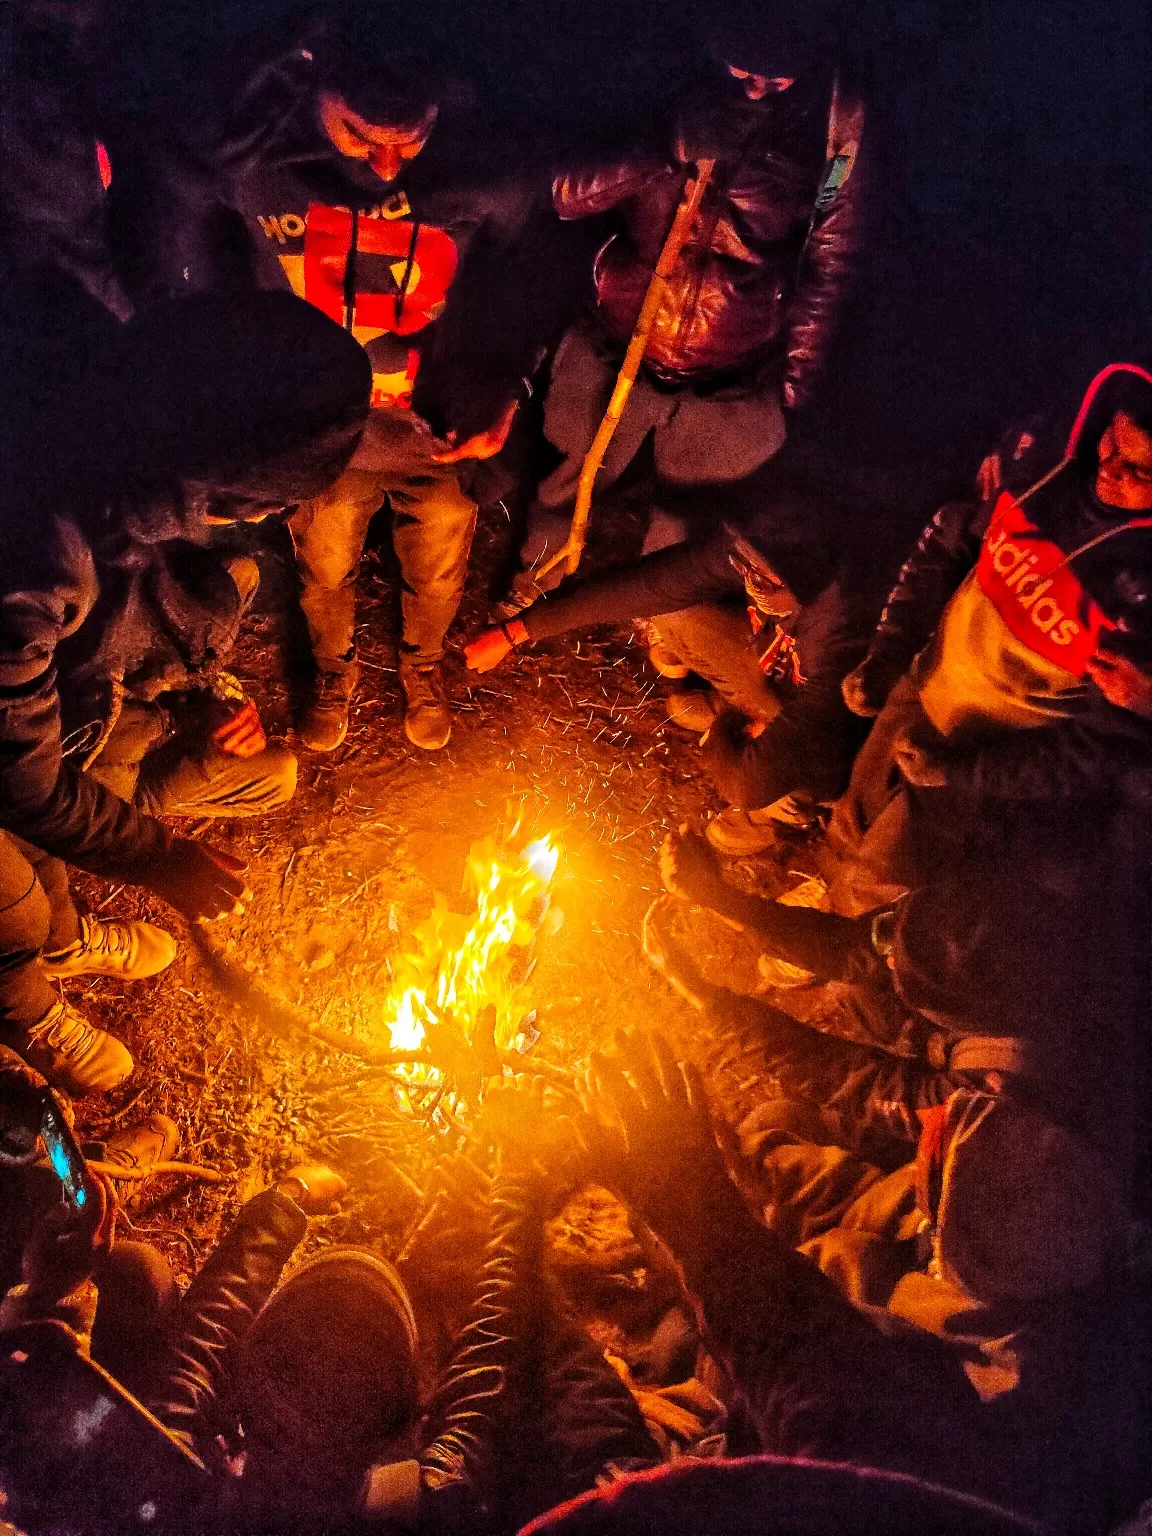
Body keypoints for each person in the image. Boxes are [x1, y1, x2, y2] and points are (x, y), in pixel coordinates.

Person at [127, 9, 588, 751]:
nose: (385, 164)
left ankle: (423, 672)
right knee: (325, 571)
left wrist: (505, 387)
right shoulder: (257, 159)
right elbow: (170, 217)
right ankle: (333, 681)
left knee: (436, 575)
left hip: (435, 430)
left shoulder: (484, 165)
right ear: (313, 88)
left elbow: (526, 276)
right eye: (359, 135)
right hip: (324, 434)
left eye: (409, 138)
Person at [0, 289, 371, 1095]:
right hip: (25, 748)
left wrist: (208, 695)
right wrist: (158, 859)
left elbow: (155, 612)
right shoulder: (33, 551)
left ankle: (73, 900)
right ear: (227, 489)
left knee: (253, 773)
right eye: (271, 504)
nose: (269, 520)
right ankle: (39, 972)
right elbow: (19, 779)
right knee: (14, 888)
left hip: (82, 704)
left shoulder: (125, 383)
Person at [571, 1029, 1142, 1532]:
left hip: (827, 1359)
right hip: (872, 1328)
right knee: (778, 1131)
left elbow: (851, 1443)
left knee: (677, 1342)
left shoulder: (1000, 1412)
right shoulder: (1057, 1322)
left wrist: (700, 1225)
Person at [500, 0, 867, 618]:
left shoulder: (836, 129)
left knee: (690, 514)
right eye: (741, 71)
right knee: (570, 474)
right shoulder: (664, 87)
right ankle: (536, 579)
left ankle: (663, 624)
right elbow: (563, 194)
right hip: (618, 336)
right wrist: (666, 147)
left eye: (777, 79)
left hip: (737, 360)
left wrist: (797, 382)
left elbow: (832, 253)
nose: (755, 91)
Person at [824, 362, 1152, 913]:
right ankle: (819, 888)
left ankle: (832, 956)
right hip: (926, 682)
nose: (1111, 468)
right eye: (1111, 444)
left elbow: (1087, 752)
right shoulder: (1046, 472)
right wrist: (888, 656)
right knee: (851, 816)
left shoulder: (1141, 599)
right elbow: (945, 547)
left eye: (1139, 470)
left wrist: (961, 775)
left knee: (881, 878)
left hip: (981, 755)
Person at [468, 488, 880, 848]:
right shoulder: (761, 548)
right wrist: (515, 633)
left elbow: (746, 781)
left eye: (762, 577)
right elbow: (651, 586)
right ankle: (742, 714)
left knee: (783, 787)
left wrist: (726, 727)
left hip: (829, 743)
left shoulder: (842, 631)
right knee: (671, 612)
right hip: (771, 676)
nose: (748, 578)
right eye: (745, 567)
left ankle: (776, 820)